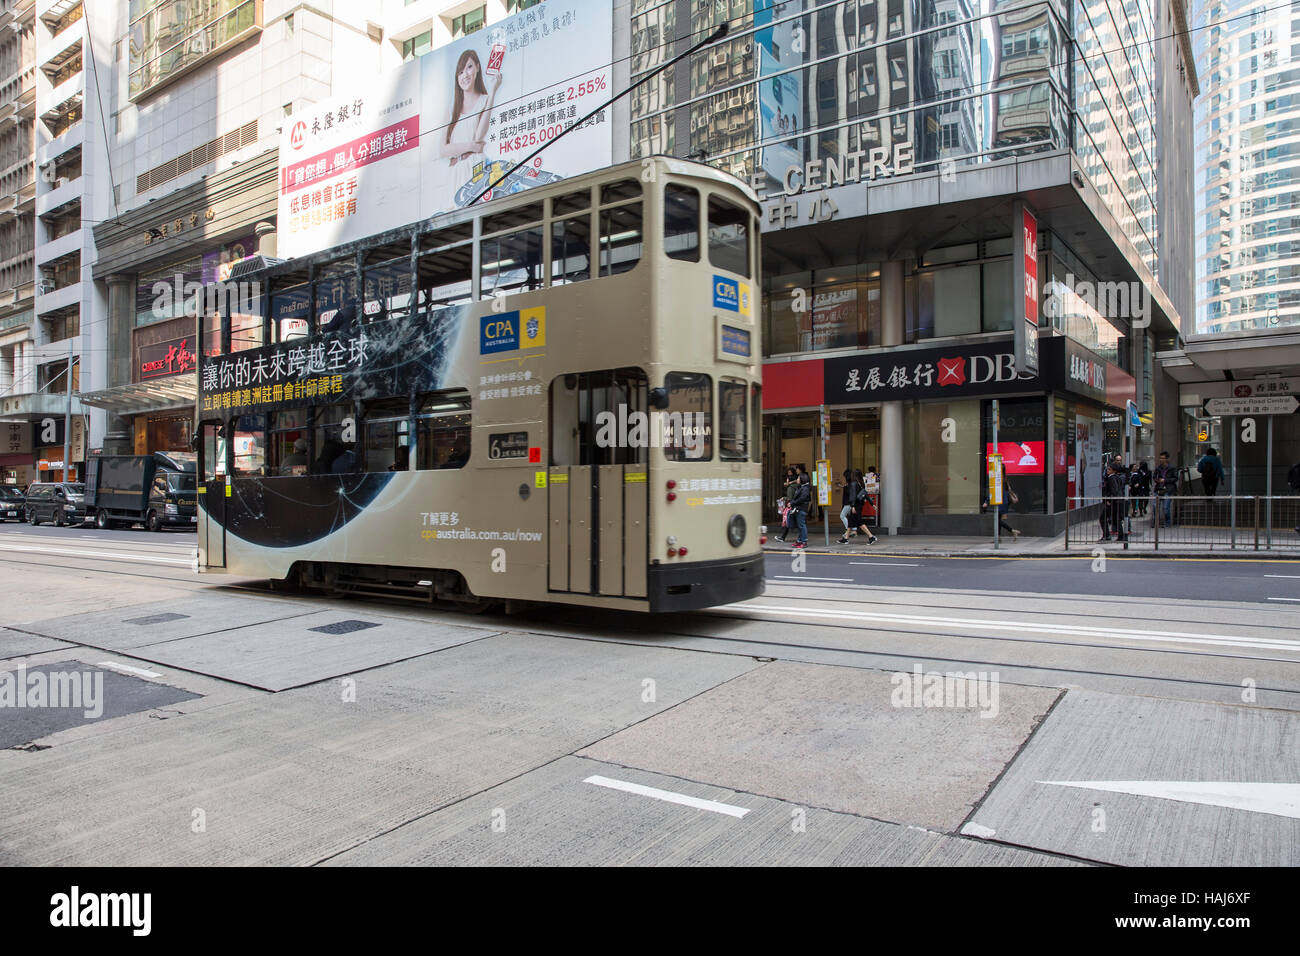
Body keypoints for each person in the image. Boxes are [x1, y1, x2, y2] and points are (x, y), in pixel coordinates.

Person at [441, 49, 503, 196]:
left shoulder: (484, 100)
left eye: (469, 67)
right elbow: (443, 150)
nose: (465, 75)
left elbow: (478, 137)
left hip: (475, 166)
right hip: (454, 172)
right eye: (460, 72)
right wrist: (471, 146)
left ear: (477, 67)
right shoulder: (451, 109)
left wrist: (493, 92)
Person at [849, 468, 879, 544]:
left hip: (855, 506)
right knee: (851, 521)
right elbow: (865, 494)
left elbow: (853, 496)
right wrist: (872, 504)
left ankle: (871, 536)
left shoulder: (853, 483)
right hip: (860, 505)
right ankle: (845, 538)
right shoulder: (861, 483)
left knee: (859, 522)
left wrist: (852, 506)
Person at [1101, 459, 1129, 541]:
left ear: (1114, 471)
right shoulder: (1116, 477)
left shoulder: (1111, 478)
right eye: (1107, 469)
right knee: (1116, 519)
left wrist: (1109, 499)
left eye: (1109, 469)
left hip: (1113, 502)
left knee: (1103, 518)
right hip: (1117, 501)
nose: (1107, 471)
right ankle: (1120, 536)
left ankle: (1107, 535)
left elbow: (1114, 490)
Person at [1153, 451, 1177, 527]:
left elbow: (1175, 478)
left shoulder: (1172, 468)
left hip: (1168, 489)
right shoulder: (1158, 468)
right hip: (1159, 488)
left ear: (1166, 459)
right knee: (1155, 506)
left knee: (1166, 508)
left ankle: (1167, 522)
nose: (1161, 460)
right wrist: (1157, 480)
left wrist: (1165, 480)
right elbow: (1154, 477)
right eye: (1160, 458)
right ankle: (1156, 522)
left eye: (1163, 458)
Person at [836, 469, 860, 544]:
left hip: (849, 503)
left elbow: (850, 494)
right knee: (851, 518)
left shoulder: (850, 484)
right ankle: (853, 531)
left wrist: (845, 487)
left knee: (842, 515)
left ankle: (849, 531)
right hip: (851, 504)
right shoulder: (851, 483)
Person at [790, 472, 811, 549]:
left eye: (798, 478)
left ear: (802, 479)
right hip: (798, 508)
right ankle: (799, 540)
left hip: (801, 509)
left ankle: (804, 541)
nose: (797, 479)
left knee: (802, 525)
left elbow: (802, 499)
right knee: (800, 526)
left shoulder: (805, 488)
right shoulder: (801, 487)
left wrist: (792, 503)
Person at [777, 466, 798, 541]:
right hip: (796, 505)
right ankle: (783, 537)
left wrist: (784, 498)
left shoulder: (790, 488)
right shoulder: (796, 486)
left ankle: (802, 538)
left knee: (788, 521)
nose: (785, 482)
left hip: (791, 505)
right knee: (793, 522)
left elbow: (789, 498)